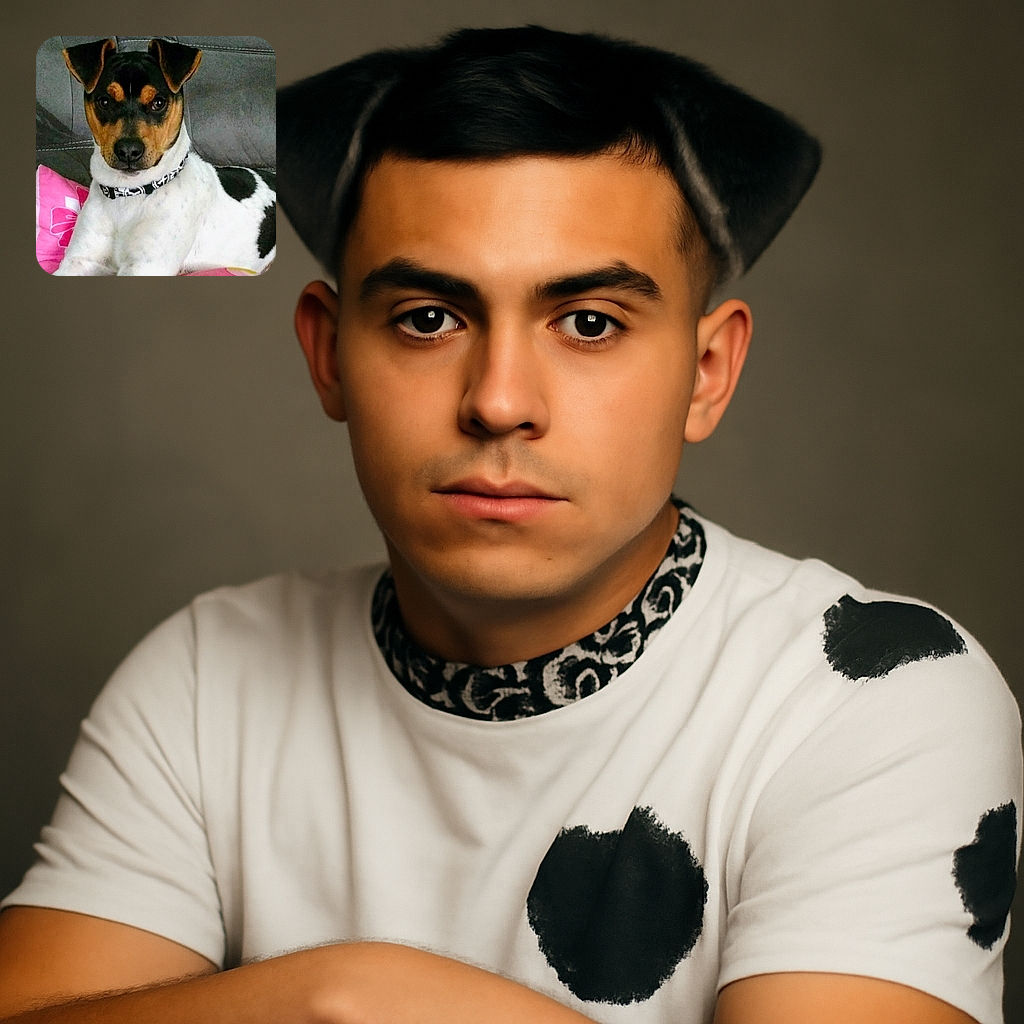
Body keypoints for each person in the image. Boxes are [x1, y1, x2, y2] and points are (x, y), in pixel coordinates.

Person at [0, 25, 1019, 1024]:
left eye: (588, 323)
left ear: (705, 375)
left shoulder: (874, 696)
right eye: (428, 318)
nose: (497, 400)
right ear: (327, 356)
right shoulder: (206, 675)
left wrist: (377, 1000)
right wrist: (324, 994)